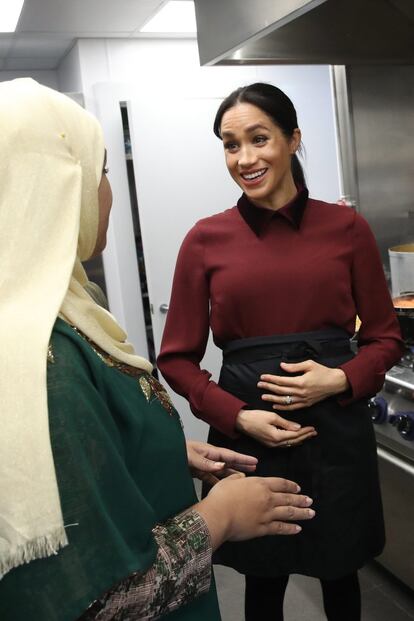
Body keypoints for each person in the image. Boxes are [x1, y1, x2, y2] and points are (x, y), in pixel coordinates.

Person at [0, 78, 316, 621]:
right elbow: (101, 600)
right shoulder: (42, 359)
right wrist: (221, 517)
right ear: (57, 185)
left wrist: (159, 451)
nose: (108, 191)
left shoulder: (65, 311)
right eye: (99, 170)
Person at [157, 82, 404, 621]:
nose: (244, 158)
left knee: (341, 574)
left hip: (337, 432)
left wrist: (338, 380)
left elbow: (385, 337)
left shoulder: (347, 228)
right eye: (230, 144)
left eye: (259, 138)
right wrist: (239, 416)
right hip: (251, 435)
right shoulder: (205, 240)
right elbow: (175, 358)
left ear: (293, 140)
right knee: (263, 583)